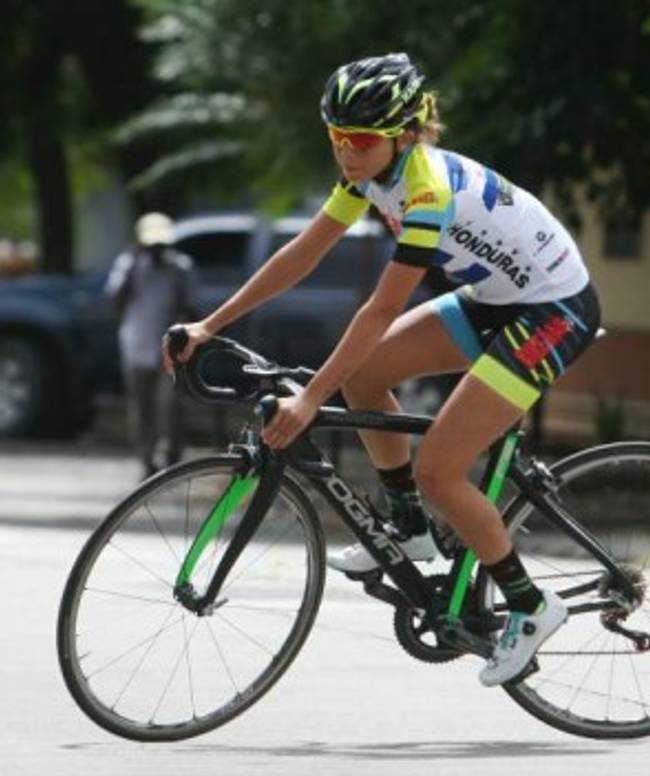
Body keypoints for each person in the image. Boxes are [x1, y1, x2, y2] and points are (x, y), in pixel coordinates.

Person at [167, 53, 601, 687]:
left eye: (361, 140)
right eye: (337, 138)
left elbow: (379, 309)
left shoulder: (425, 191)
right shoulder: (370, 175)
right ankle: (410, 529)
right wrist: (212, 324)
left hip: (554, 311)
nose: (347, 152)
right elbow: (302, 254)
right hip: (496, 301)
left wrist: (308, 401)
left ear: (402, 133)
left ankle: (533, 608)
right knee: (364, 377)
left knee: (441, 469)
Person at [107, 212, 195, 478]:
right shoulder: (128, 265)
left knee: (170, 405)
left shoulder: (180, 267)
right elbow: (114, 301)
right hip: (136, 345)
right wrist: (134, 266)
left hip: (169, 348)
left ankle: (173, 458)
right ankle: (147, 459)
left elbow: (191, 306)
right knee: (141, 407)